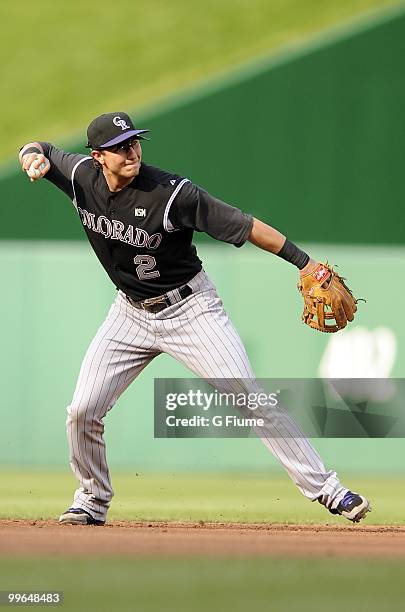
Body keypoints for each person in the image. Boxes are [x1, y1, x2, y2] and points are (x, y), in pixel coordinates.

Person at [19, 112, 371, 526]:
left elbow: (247, 225)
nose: (131, 151)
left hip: (191, 309)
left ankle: (330, 489)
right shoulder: (80, 176)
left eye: (134, 142)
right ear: (98, 156)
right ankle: (92, 500)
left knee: (250, 397)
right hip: (129, 313)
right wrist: (30, 157)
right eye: (120, 147)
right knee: (82, 410)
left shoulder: (171, 193)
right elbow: (40, 148)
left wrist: (305, 263)